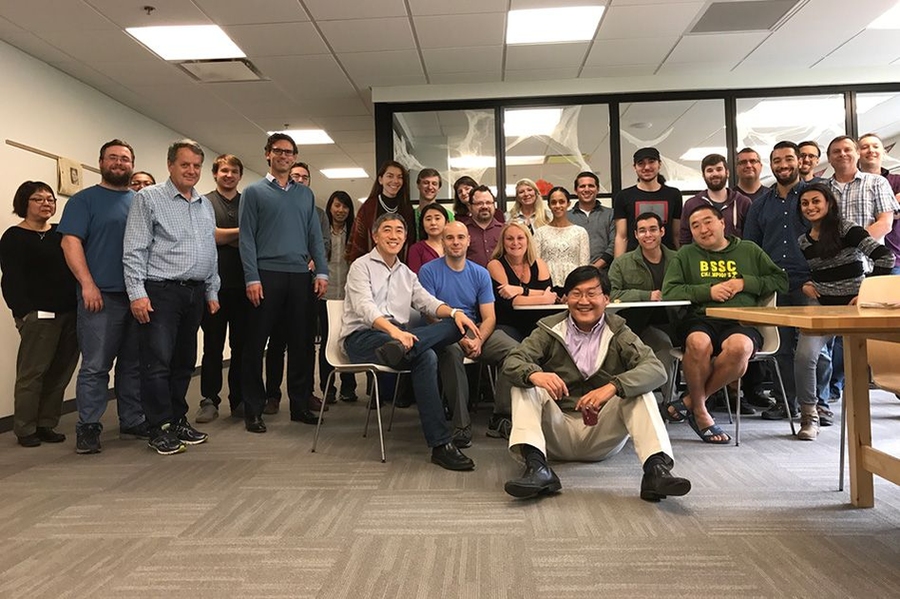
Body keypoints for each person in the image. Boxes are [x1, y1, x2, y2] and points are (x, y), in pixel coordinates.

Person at [500, 266, 691, 502]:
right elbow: (512, 361)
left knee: (640, 392)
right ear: (566, 298)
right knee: (524, 385)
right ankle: (537, 468)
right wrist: (535, 374)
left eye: (592, 294)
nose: (584, 301)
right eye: (576, 293)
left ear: (606, 299)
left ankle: (656, 471)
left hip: (602, 434)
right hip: (556, 433)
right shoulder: (548, 329)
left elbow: (655, 369)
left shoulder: (620, 331)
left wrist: (613, 387)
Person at [341, 213, 480, 471]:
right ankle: (441, 444)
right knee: (425, 353)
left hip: (398, 340)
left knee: (451, 326)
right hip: (362, 337)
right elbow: (365, 308)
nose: (393, 236)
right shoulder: (361, 266)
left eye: (399, 231)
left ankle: (440, 446)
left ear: (405, 238)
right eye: (387, 230)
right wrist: (394, 333)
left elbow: (427, 301)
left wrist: (453, 313)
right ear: (375, 235)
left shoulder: (406, 273)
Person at [123, 139, 220, 456]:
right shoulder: (148, 199)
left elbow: (210, 251)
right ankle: (159, 427)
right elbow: (134, 249)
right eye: (185, 164)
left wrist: (212, 288)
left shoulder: (204, 205)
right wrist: (137, 293)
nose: (191, 170)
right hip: (160, 292)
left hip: (194, 293)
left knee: (184, 362)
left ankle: (178, 419)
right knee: (157, 364)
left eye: (196, 165)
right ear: (170, 166)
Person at [662, 205, 788, 444]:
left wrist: (744, 283)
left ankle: (691, 403)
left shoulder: (749, 250)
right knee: (697, 343)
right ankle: (700, 412)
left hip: (742, 320)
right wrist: (708, 291)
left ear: (722, 223)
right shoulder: (686, 254)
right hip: (701, 319)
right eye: (695, 226)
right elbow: (669, 291)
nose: (702, 229)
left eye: (707, 222)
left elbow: (780, 280)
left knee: (740, 348)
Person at [58, 139, 147, 454]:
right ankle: (89, 427)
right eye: (113, 158)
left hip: (137, 297)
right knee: (96, 366)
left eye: (125, 158)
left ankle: (132, 420)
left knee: (133, 365)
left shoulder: (141, 201)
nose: (120, 163)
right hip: (101, 297)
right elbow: (70, 243)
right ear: (101, 162)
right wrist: (87, 284)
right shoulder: (84, 201)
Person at [239, 133, 328, 434]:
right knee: (256, 344)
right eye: (278, 151)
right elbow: (247, 239)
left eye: (289, 152)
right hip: (266, 274)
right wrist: (251, 277)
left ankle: (300, 405)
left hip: (300, 276)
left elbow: (315, 236)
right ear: (267, 154)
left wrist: (323, 273)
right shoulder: (253, 193)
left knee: (302, 344)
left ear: (294, 157)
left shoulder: (304, 195)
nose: (284, 156)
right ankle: (253, 409)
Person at [793, 183, 894, 440]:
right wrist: (806, 284)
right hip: (821, 306)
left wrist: (867, 292)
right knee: (805, 357)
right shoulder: (804, 241)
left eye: (816, 201)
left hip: (854, 306)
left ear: (828, 204)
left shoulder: (847, 230)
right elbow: (809, 271)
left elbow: (885, 258)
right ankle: (809, 416)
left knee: (880, 357)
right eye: (805, 203)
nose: (810, 207)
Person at [419, 221, 518, 448]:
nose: (456, 242)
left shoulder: (480, 273)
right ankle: (461, 425)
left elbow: (489, 317)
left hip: (476, 330)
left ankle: (500, 417)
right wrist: (461, 338)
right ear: (442, 241)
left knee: (514, 350)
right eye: (450, 238)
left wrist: (479, 340)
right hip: (444, 332)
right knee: (452, 353)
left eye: (460, 237)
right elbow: (430, 315)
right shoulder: (428, 271)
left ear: (468, 240)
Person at [0, 181, 78, 447]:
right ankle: (25, 428)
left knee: (60, 372)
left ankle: (46, 423)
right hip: (38, 317)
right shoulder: (14, 236)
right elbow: (11, 279)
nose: (46, 204)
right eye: (38, 199)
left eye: (50, 199)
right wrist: (23, 314)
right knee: (32, 374)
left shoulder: (61, 234)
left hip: (70, 313)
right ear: (24, 203)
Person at [743, 141, 812, 420]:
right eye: (777, 161)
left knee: (814, 350)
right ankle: (786, 402)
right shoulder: (759, 206)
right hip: (775, 285)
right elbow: (751, 247)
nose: (783, 165)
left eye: (788, 159)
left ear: (799, 161)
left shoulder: (814, 196)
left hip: (810, 282)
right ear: (770, 165)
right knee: (781, 348)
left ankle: (816, 404)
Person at [263, 161, 332, 415]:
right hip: (279, 280)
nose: (300, 180)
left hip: (307, 282)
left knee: (302, 343)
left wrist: (313, 263)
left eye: (305, 177)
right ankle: (272, 394)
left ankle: (304, 394)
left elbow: (322, 242)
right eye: (296, 176)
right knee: (277, 341)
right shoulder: (275, 204)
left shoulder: (319, 212)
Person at [196, 154, 247, 424]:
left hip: (243, 285)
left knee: (241, 346)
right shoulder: (203, 202)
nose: (229, 175)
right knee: (213, 346)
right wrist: (240, 233)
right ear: (215, 174)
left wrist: (223, 236)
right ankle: (208, 400)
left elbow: (255, 238)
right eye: (224, 170)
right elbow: (208, 236)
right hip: (212, 287)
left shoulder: (248, 202)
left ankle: (237, 399)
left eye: (234, 171)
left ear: (240, 176)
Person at [608, 212, 677, 402]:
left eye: (653, 229)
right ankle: (668, 402)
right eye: (643, 231)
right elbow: (612, 294)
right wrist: (647, 295)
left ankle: (686, 402)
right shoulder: (622, 263)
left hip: (676, 322)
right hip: (638, 326)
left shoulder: (678, 260)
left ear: (662, 231)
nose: (648, 235)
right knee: (663, 347)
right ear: (636, 235)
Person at [487, 221, 557, 342]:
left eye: (520, 238)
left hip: (538, 323)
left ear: (528, 241)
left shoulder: (539, 263)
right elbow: (512, 302)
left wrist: (519, 290)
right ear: (503, 242)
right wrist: (543, 298)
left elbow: (550, 293)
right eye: (509, 239)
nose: (515, 243)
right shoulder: (495, 265)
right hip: (508, 324)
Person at [319, 190, 358, 403]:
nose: (341, 210)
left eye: (345, 206)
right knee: (327, 340)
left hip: (348, 297)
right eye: (337, 205)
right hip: (324, 296)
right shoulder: (321, 231)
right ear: (330, 207)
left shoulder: (353, 233)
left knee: (347, 340)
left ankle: (348, 386)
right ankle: (327, 387)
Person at [613, 147, 682, 255]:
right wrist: (617, 268)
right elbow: (621, 237)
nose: (647, 167)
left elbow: (676, 235)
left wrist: (680, 262)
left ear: (659, 164)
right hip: (634, 261)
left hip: (668, 260)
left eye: (651, 162)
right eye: (641, 163)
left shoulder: (674, 194)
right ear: (634, 167)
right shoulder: (623, 196)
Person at [347, 161, 415, 263]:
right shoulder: (368, 207)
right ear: (380, 180)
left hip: (400, 267)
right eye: (390, 176)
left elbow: (411, 241)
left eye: (399, 177)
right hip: (370, 267)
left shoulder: (407, 208)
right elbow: (359, 242)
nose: (395, 181)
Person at [678, 154, 751, 246]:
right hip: (701, 258)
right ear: (703, 175)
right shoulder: (691, 204)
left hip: (736, 258)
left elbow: (750, 238)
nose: (715, 174)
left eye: (719, 169)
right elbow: (685, 239)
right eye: (709, 170)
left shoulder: (743, 202)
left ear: (727, 172)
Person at [533, 186, 589, 293]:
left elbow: (584, 266)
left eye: (561, 202)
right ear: (549, 205)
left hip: (574, 286)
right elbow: (536, 264)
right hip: (546, 287)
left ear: (568, 204)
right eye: (553, 202)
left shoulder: (580, 232)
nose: (557, 206)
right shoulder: (540, 232)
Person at [857, 133, 900, 274]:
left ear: (884, 151)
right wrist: (889, 207)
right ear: (857, 153)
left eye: (875, 146)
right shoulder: (851, 185)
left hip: (894, 259)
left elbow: (896, 213)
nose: (870, 150)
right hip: (859, 261)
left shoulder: (897, 181)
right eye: (865, 147)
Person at [568, 171, 615, 270]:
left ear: (597, 189)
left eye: (591, 186)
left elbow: (614, 244)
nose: (587, 189)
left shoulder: (610, 214)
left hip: (604, 272)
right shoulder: (566, 217)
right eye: (582, 186)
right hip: (574, 273)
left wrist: (596, 266)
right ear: (576, 190)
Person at [465, 185, 504, 268]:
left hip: (501, 280)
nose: (485, 206)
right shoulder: (463, 231)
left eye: (488, 203)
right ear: (470, 207)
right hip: (472, 280)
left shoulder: (504, 230)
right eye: (479, 203)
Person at [407, 202, 447, 273]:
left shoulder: (453, 245)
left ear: (446, 222)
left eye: (437, 218)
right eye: (428, 219)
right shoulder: (416, 249)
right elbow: (415, 278)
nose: (433, 223)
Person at [413, 167, 452, 237]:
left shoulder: (448, 215)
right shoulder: (410, 215)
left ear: (439, 188)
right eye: (426, 183)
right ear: (418, 185)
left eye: (434, 183)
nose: (430, 187)